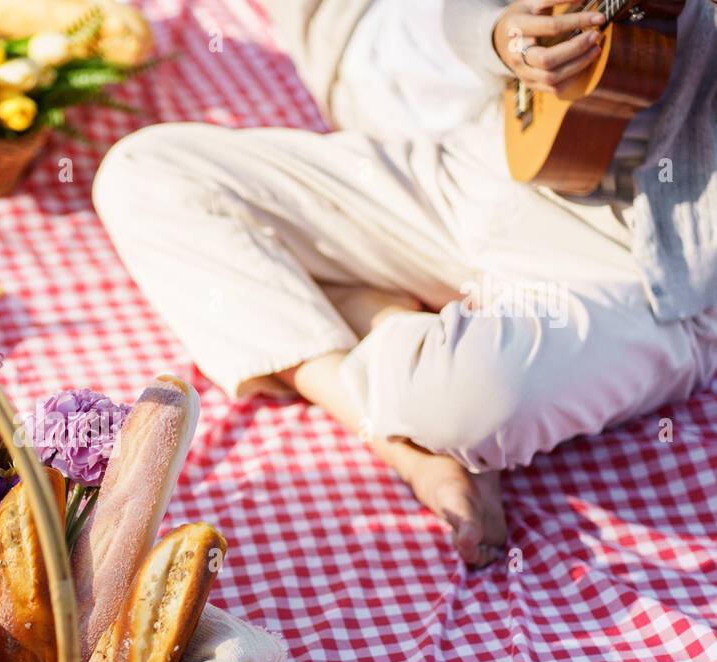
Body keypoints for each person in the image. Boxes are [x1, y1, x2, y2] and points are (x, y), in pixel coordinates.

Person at [92, 0, 717, 566]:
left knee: (463, 398)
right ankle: (398, 423)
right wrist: (501, 38)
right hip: (482, 171)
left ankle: (376, 321)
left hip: (648, 268)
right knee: (142, 173)